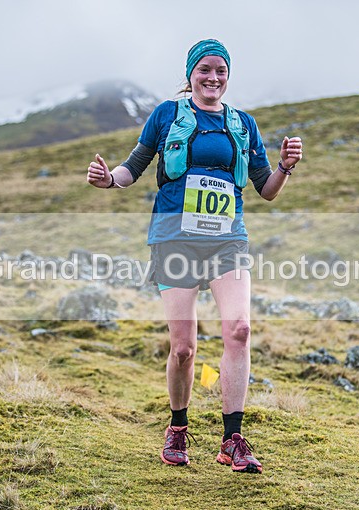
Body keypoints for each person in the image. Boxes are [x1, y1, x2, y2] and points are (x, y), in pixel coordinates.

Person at [86, 39, 303, 474]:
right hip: (174, 239)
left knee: (239, 330)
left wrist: (285, 167)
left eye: (221, 71)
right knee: (184, 348)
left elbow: (265, 190)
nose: (213, 78)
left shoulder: (243, 124)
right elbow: (135, 166)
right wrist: (109, 179)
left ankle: (232, 440)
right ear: (190, 75)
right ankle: (178, 428)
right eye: (205, 69)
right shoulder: (167, 115)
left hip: (227, 240)